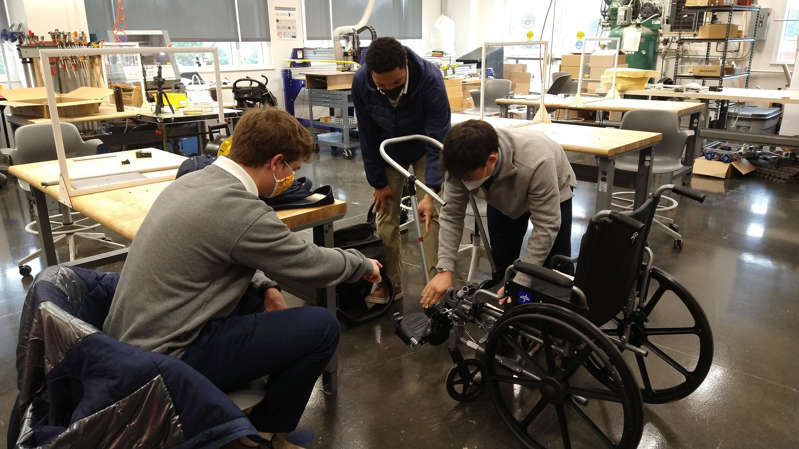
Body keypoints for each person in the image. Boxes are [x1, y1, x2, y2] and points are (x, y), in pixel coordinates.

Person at [103, 108, 381, 449]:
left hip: (131, 344)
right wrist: (361, 264)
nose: (290, 181)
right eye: (291, 171)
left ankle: (228, 415)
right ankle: (262, 434)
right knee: (321, 327)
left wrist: (268, 287)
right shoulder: (239, 208)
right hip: (169, 361)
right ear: (275, 163)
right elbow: (307, 263)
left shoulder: (194, 180)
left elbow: (232, 250)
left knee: (256, 300)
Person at [420, 119, 577, 307]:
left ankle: (565, 312)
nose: (462, 181)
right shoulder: (458, 162)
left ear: (492, 160)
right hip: (501, 196)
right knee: (504, 267)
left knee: (556, 270)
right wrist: (445, 269)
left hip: (552, 186)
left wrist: (521, 283)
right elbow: (452, 215)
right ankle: (509, 314)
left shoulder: (538, 161)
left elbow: (546, 226)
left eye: (467, 178)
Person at [352, 36, 451, 304]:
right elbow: (367, 134)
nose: (389, 90)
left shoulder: (430, 79)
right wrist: (377, 181)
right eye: (381, 85)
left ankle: (436, 286)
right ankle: (390, 284)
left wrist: (431, 190)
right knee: (385, 219)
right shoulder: (361, 82)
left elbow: (438, 137)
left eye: (395, 83)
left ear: (405, 65)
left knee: (431, 216)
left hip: (423, 148)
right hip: (389, 151)